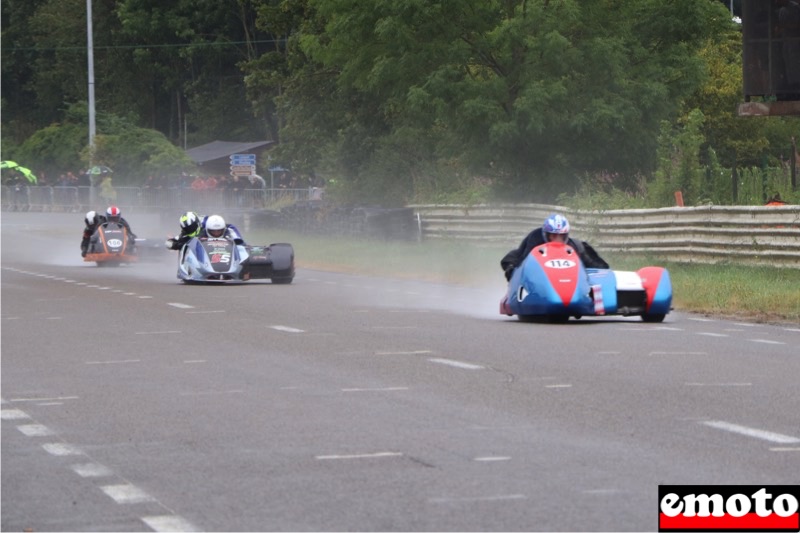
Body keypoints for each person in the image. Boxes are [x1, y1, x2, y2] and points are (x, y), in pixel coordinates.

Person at [500, 213, 609, 281]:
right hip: (539, 278)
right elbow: (523, 262)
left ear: (566, 235)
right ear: (546, 234)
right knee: (512, 266)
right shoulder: (535, 239)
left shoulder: (572, 245)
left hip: (564, 281)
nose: (558, 240)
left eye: (561, 236)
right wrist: (513, 271)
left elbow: (600, 268)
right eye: (553, 236)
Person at [166, 212, 245, 250]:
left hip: (222, 243)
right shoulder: (186, 234)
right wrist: (174, 244)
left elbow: (228, 226)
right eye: (187, 229)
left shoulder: (207, 222)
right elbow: (172, 241)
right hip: (207, 249)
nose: (190, 230)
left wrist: (238, 241)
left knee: (239, 243)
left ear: (197, 223)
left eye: (192, 227)